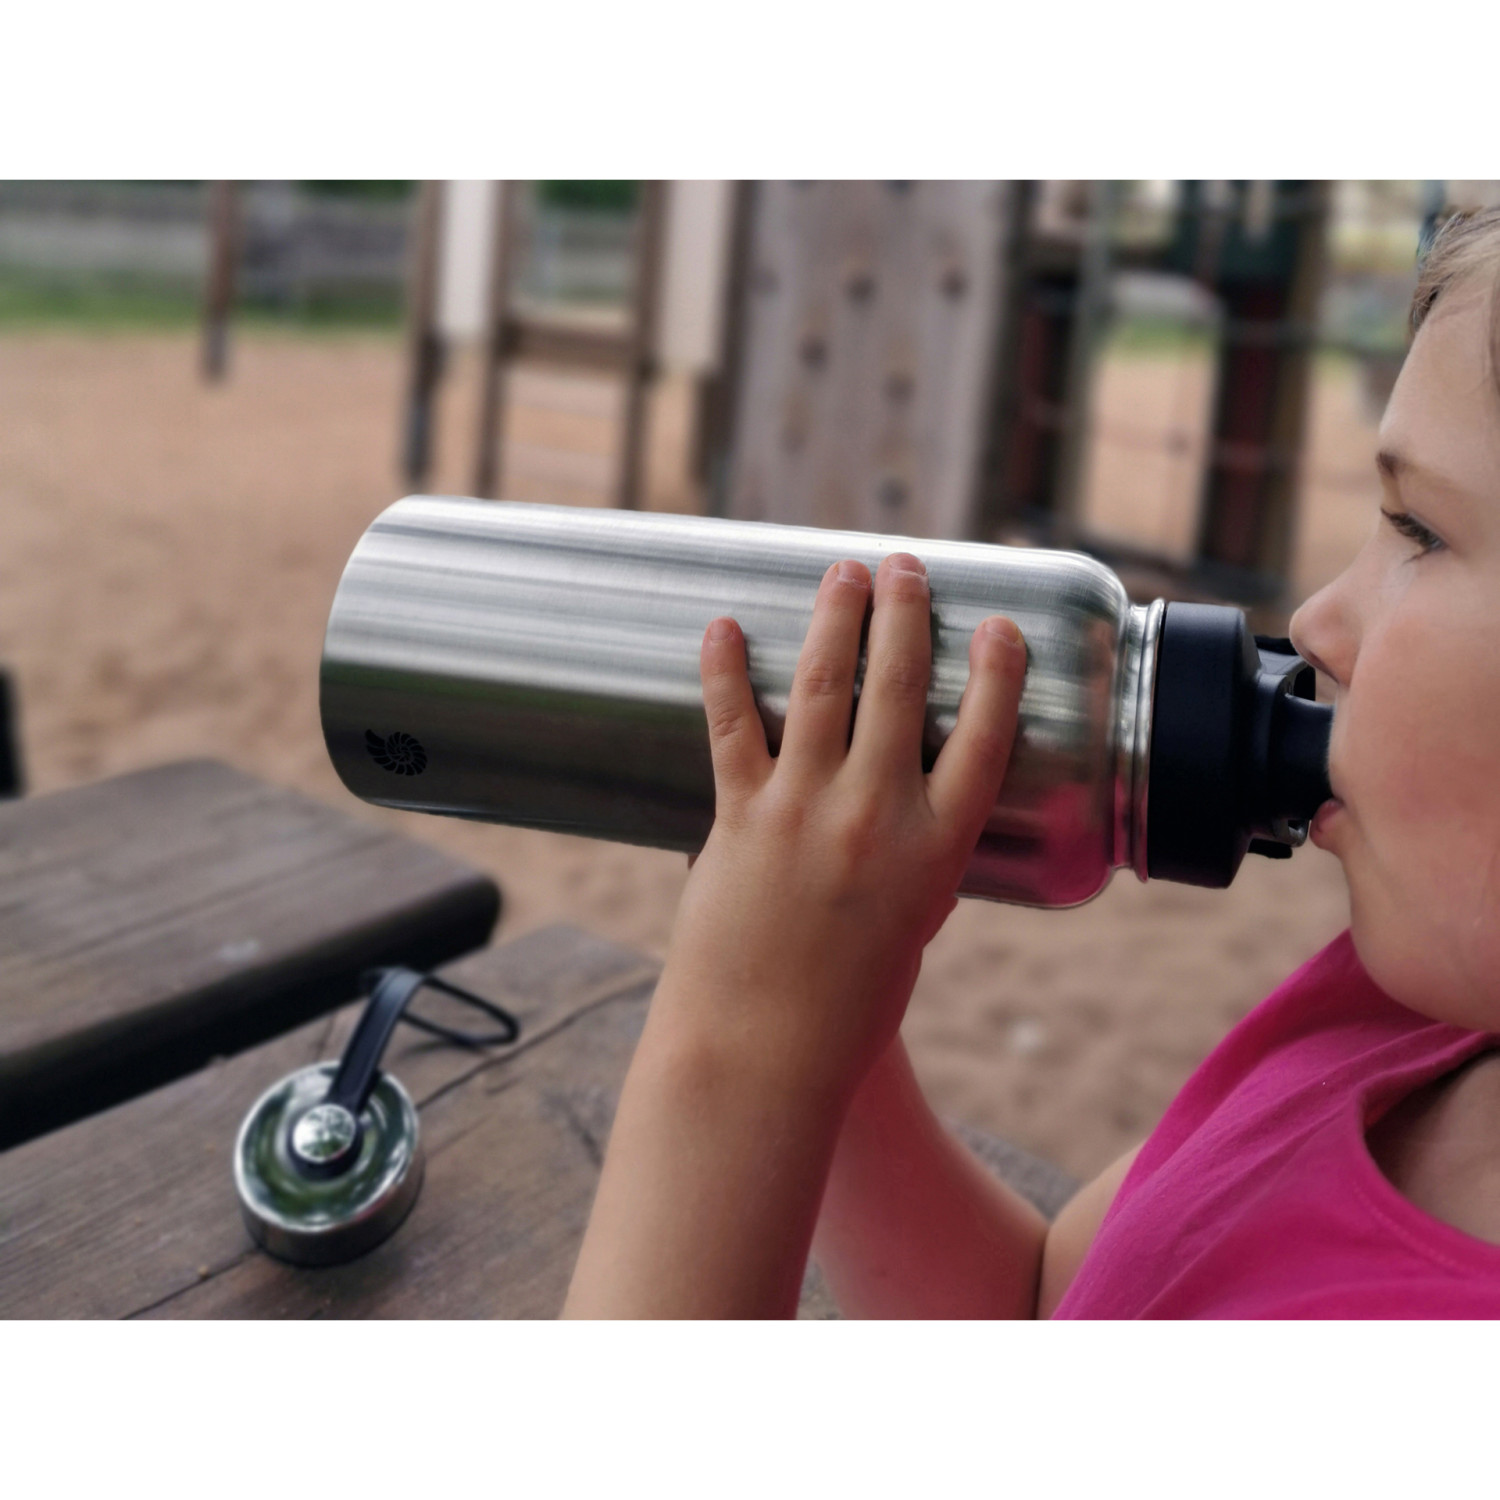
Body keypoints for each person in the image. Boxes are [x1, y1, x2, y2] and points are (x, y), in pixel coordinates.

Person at [562, 208, 1500, 1318]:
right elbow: (1047, 1303)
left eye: (1418, 528)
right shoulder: (1406, 1018)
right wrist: (831, 1013)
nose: (1315, 622)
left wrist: (742, 1041)